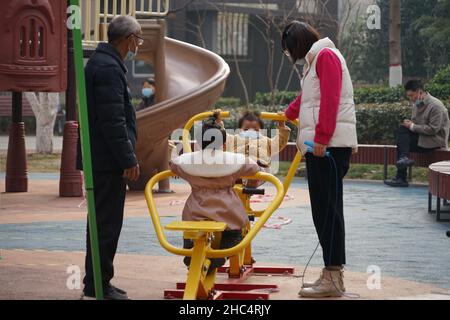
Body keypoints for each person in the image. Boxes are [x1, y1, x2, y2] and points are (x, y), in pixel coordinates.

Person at [282, 21, 358, 297]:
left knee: (328, 213)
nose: (291, 56)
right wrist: (288, 113)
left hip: (328, 148)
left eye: (290, 50)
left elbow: (330, 98)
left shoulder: (325, 56)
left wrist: (323, 137)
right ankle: (330, 273)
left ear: (298, 44)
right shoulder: (316, 60)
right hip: (321, 147)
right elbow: (309, 97)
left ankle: (334, 278)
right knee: (323, 212)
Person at [76, 15, 143, 300]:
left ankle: (98, 281)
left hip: (101, 159)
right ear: (128, 39)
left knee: (101, 222)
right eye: (138, 39)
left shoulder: (104, 63)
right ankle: (99, 284)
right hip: (105, 161)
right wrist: (128, 159)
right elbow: (112, 121)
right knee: (105, 223)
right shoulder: (107, 68)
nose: (138, 44)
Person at [169, 116, 260, 272]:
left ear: (199, 143)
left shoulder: (188, 161)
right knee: (234, 233)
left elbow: (174, 164)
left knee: (191, 230)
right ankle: (223, 253)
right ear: (224, 145)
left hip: (196, 211)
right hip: (227, 211)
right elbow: (254, 168)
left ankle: (190, 248)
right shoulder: (234, 161)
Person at [385, 80, 450, 187]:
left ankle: (401, 176)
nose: (411, 99)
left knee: (402, 143)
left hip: (435, 141)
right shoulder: (417, 104)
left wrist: (412, 126)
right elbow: (415, 125)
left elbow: (433, 130)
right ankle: (403, 160)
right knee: (401, 131)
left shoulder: (436, 106)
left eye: (412, 95)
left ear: (419, 92)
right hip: (422, 138)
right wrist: (409, 124)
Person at [215, 110, 290, 187]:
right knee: (230, 167)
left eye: (255, 129)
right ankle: (236, 180)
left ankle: (252, 181)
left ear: (261, 131)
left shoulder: (266, 141)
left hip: (259, 168)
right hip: (238, 167)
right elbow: (222, 135)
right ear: (240, 130)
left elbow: (279, 142)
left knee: (257, 169)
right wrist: (218, 122)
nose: (251, 131)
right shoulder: (234, 139)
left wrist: (281, 125)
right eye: (246, 129)